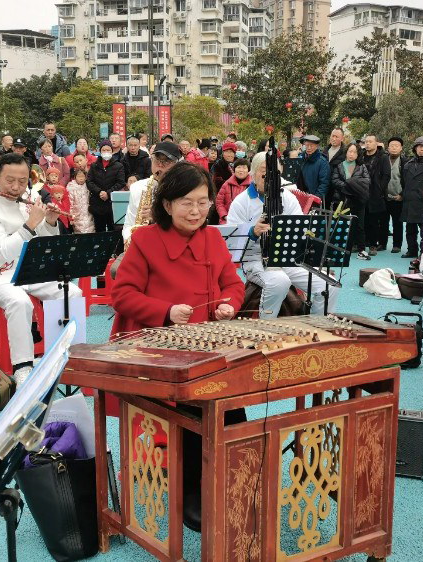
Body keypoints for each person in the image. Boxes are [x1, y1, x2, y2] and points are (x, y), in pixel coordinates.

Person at [111, 162, 245, 532]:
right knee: (193, 406)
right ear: (167, 204)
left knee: (234, 400)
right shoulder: (145, 240)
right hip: (159, 347)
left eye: (203, 202)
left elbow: (234, 284)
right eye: (187, 202)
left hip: (208, 342)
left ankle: (232, 477)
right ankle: (191, 489)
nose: (196, 211)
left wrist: (229, 304)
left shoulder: (213, 238)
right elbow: (122, 295)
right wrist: (166, 311)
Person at [0, 153, 81, 384]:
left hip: (29, 268)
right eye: (10, 180)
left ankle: (63, 355)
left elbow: (44, 239)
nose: (16, 187)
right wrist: (31, 223)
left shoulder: (30, 197)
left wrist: (50, 221)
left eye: (22, 181)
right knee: (19, 302)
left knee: (72, 292)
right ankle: (23, 366)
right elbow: (1, 251)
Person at [226, 152, 331, 317]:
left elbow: (300, 230)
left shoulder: (287, 197)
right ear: (253, 174)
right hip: (255, 259)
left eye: (276, 174)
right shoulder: (241, 202)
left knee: (327, 284)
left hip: (286, 257)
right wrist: (253, 232)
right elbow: (232, 244)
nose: (270, 178)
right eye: (264, 173)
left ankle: (318, 325)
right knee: (279, 281)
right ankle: (267, 325)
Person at [122, 141, 180, 244]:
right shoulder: (137, 187)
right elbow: (129, 224)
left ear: (176, 165)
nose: (160, 165)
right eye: (156, 160)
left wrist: (157, 217)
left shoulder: (183, 189)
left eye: (166, 161)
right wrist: (129, 240)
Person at [330, 143, 371, 260]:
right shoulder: (339, 166)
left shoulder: (362, 167)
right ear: (346, 152)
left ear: (358, 154)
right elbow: (335, 180)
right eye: (350, 151)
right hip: (343, 199)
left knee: (360, 225)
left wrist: (352, 184)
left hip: (359, 200)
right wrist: (349, 186)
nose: (351, 154)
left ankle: (361, 250)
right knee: (342, 224)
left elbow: (367, 180)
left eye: (354, 152)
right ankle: (340, 249)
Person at [361, 134, 391, 256]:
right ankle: (362, 243)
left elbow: (386, 175)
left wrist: (379, 189)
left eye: (370, 141)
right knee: (363, 219)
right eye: (366, 142)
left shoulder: (383, 157)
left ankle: (373, 245)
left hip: (375, 193)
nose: (367, 144)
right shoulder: (361, 156)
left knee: (374, 221)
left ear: (376, 143)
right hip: (361, 192)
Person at [87, 140, 125, 232]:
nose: (106, 152)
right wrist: (99, 192)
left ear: (112, 151)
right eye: (104, 150)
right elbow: (89, 181)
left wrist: (108, 193)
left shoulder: (118, 166)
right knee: (99, 230)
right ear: (100, 151)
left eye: (108, 150)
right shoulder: (94, 166)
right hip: (97, 203)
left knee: (113, 230)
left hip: (112, 204)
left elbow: (120, 182)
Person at [385, 136, 406, 254]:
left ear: (401, 148)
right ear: (388, 148)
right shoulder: (383, 160)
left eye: (396, 146)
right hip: (384, 196)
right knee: (383, 221)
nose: (394, 148)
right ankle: (382, 243)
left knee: (397, 222)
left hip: (398, 197)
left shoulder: (405, 162)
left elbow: (407, 180)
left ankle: (397, 245)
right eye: (392, 146)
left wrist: (402, 194)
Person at [215, 157, 251, 224]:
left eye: (244, 168)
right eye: (239, 167)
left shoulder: (253, 186)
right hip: (227, 221)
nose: (241, 170)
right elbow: (219, 202)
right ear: (234, 169)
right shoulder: (226, 184)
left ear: (248, 170)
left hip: (246, 222)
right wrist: (225, 216)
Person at [297, 134, 329, 201]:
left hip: (313, 198)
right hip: (300, 196)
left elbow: (324, 184)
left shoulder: (322, 162)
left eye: (311, 145)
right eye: (307, 145)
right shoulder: (300, 158)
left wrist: (315, 199)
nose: (309, 148)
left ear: (316, 146)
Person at [67, 167, 95, 234]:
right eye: (79, 176)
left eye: (83, 176)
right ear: (75, 177)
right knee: (79, 232)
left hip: (88, 213)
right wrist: (71, 217)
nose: (81, 178)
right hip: (77, 215)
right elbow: (70, 204)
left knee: (90, 230)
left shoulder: (88, 186)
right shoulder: (71, 188)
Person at [326, 128, 346, 194]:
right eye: (332, 136)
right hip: (325, 187)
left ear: (342, 138)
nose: (334, 139)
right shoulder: (325, 151)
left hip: (337, 189)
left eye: (336, 137)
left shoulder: (345, 153)